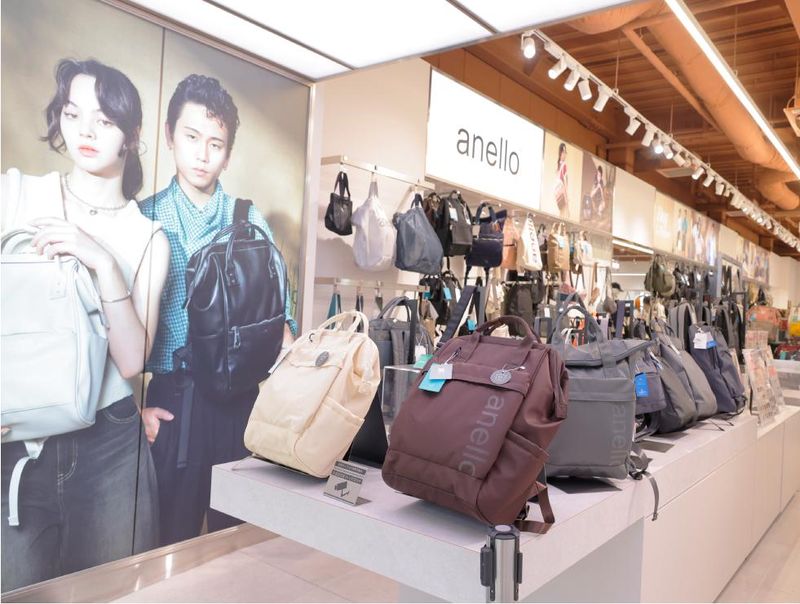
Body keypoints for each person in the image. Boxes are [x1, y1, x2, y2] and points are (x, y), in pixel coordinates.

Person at [0, 58, 169, 591]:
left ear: (132, 134)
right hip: (18, 438)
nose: (86, 132)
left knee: (110, 593)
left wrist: (102, 261)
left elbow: (132, 361)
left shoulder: (148, 237)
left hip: (110, 444)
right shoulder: (15, 194)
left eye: (105, 119)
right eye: (73, 114)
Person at [139, 74, 296, 547]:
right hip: (173, 403)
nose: (202, 154)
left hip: (239, 404)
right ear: (170, 135)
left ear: (228, 154)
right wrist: (132, 412)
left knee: (240, 548)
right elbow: (111, 331)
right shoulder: (144, 217)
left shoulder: (247, 219)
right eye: (191, 137)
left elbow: (281, 324)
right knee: (168, 549)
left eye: (216, 144)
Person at [554, 142, 569, 219]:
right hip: (561, 193)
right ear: (560, 153)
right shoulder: (564, 165)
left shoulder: (558, 164)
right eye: (563, 152)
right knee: (564, 214)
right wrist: (566, 197)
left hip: (557, 193)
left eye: (565, 152)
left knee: (561, 213)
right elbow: (565, 183)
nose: (565, 154)